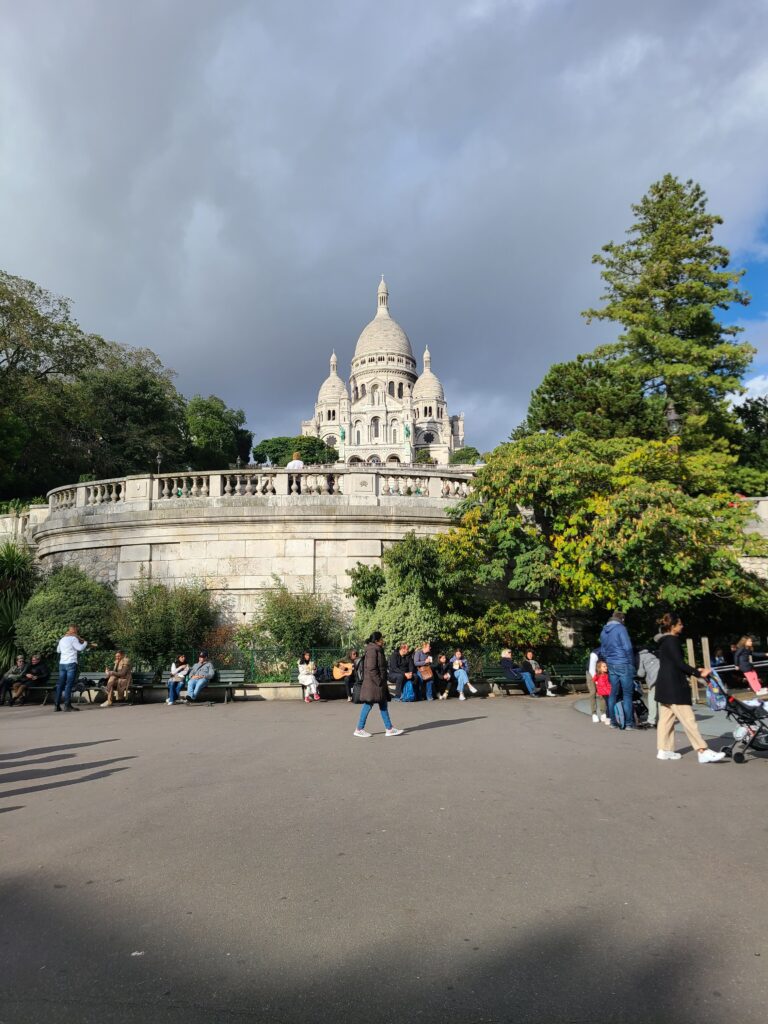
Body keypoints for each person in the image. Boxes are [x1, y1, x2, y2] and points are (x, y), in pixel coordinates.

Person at [655, 613, 725, 763]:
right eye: (680, 624)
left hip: (664, 685)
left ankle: (664, 750)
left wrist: (695, 670)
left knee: (666, 720)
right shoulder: (672, 641)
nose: (682, 626)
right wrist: (699, 672)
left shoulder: (663, 641)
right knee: (688, 719)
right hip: (674, 686)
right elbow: (680, 664)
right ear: (672, 626)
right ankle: (702, 750)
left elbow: (674, 663)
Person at [354, 632, 403, 738]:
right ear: (377, 640)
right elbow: (371, 668)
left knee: (383, 704)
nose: (383, 640)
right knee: (368, 704)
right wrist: (379, 681)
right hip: (374, 684)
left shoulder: (375, 649)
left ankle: (389, 728)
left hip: (376, 683)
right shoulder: (372, 650)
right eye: (381, 639)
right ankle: (359, 729)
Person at [599, 611, 635, 729]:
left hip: (611, 664)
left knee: (612, 693)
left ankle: (613, 722)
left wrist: (608, 660)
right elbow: (628, 647)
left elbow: (603, 650)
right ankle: (629, 723)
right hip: (623, 663)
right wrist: (631, 663)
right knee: (627, 694)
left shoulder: (604, 631)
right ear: (622, 619)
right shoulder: (621, 629)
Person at [54, 625, 88, 712]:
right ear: (75, 631)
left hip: (62, 664)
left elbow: (58, 650)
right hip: (71, 663)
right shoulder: (73, 639)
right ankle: (67, 705)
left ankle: (56, 706)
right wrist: (85, 643)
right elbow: (80, 648)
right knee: (69, 685)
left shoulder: (62, 639)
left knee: (60, 685)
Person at [636, 640, 661, 729]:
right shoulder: (653, 654)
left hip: (655, 679)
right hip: (664, 676)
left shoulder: (641, 657)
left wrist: (636, 674)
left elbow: (641, 673)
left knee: (653, 699)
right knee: (661, 700)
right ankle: (663, 720)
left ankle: (652, 720)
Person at [585, 646, 604, 722]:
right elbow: (592, 670)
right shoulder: (595, 654)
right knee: (593, 692)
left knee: (602, 691)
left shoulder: (611, 651)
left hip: (601, 670)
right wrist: (597, 681)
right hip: (591, 672)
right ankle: (594, 714)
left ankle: (603, 713)